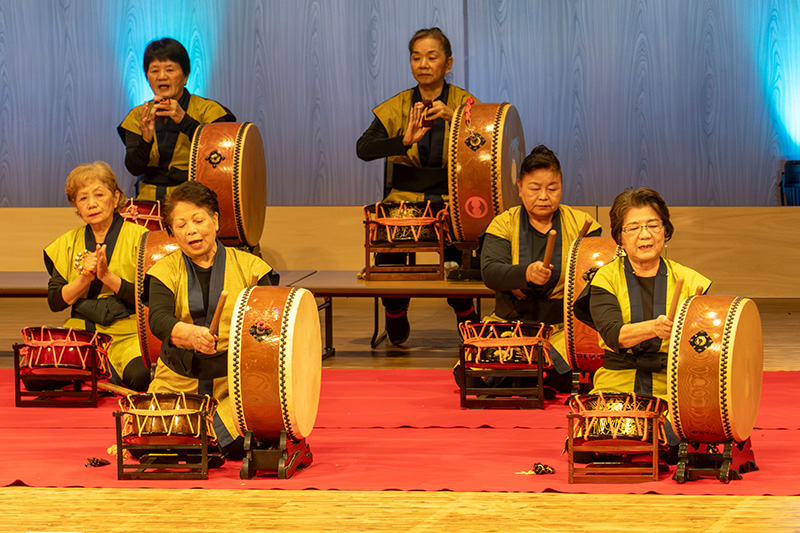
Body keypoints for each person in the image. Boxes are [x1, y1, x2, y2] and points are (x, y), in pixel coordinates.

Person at [356, 27, 478, 345]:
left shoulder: (466, 104)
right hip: (406, 196)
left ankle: (467, 317)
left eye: (432, 57)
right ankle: (395, 311)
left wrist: (460, 121)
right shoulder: (397, 106)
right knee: (388, 233)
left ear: (447, 64)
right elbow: (363, 148)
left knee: (471, 235)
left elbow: (488, 146)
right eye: (416, 57)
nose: (423, 63)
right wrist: (402, 140)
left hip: (452, 195)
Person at [144, 181, 279, 460]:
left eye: (198, 220)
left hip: (235, 385)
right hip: (178, 381)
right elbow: (158, 319)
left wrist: (258, 333)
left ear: (215, 220)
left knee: (228, 445)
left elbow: (273, 325)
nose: (191, 230)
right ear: (171, 233)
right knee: (153, 444)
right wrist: (191, 335)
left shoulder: (252, 267)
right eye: (180, 225)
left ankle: (217, 434)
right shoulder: (164, 271)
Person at [574, 187, 711, 448]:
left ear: (665, 231)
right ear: (620, 238)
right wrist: (655, 327)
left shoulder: (693, 281)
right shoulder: (605, 278)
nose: (645, 234)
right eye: (634, 228)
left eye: (653, 225)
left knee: (671, 437)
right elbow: (613, 333)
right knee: (605, 438)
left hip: (671, 385)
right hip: (618, 381)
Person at [475, 145, 602, 393]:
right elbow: (490, 272)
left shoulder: (582, 224)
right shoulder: (503, 223)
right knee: (470, 375)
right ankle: (523, 374)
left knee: (553, 368)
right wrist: (526, 273)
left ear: (561, 187)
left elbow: (598, 279)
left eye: (552, 189)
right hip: (510, 325)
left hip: (562, 329)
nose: (543, 196)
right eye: (535, 188)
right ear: (520, 187)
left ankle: (525, 375)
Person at [43, 162, 150, 391]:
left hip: (128, 334)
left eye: (99, 195)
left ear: (116, 197)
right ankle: (100, 375)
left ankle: (96, 376)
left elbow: (150, 301)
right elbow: (55, 302)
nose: (92, 204)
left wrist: (108, 277)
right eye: (83, 199)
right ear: (76, 206)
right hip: (82, 333)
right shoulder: (67, 242)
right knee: (39, 377)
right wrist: (84, 279)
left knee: (141, 376)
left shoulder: (143, 239)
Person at [118, 38, 236, 202]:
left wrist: (185, 121)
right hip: (150, 200)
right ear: (146, 77)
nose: (162, 76)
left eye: (170, 69)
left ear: (185, 76)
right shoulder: (138, 115)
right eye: (154, 71)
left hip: (197, 199)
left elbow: (222, 158)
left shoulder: (209, 111)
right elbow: (134, 168)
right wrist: (146, 138)